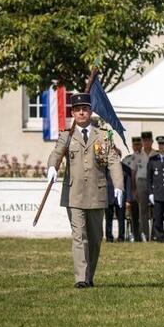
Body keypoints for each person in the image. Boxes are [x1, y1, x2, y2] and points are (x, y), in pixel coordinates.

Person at [46, 92, 124, 288]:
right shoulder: (67, 135)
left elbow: (113, 161)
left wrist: (119, 186)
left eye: (85, 109)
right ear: (73, 113)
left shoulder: (103, 135)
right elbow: (56, 153)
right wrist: (52, 167)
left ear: (90, 111)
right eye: (78, 110)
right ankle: (81, 278)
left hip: (97, 193)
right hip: (74, 194)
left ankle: (89, 276)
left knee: (96, 238)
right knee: (79, 236)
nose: (82, 113)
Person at [105, 160, 132, 242]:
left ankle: (121, 237)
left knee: (121, 218)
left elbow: (128, 185)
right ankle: (109, 237)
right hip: (109, 196)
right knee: (108, 218)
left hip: (121, 197)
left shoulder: (126, 168)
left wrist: (128, 199)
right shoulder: (106, 168)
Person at [122, 136, 143, 241]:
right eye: (135, 145)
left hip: (144, 189)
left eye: (139, 144)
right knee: (134, 215)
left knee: (145, 214)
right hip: (132, 191)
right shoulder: (127, 159)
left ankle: (146, 234)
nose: (137, 146)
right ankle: (134, 234)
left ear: (142, 145)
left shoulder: (146, 158)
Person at [135, 130, 155, 240]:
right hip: (141, 182)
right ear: (142, 142)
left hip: (153, 183)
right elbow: (134, 172)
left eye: (148, 141)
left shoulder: (156, 154)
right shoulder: (138, 155)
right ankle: (145, 234)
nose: (147, 143)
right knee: (142, 209)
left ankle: (154, 234)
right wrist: (134, 189)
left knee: (155, 209)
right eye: (144, 141)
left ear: (152, 141)